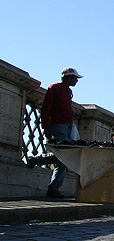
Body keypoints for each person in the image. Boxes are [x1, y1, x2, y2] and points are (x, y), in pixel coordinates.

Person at [27, 68, 83, 198]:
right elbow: (46, 108)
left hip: (68, 126)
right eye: (75, 78)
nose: (76, 81)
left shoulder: (69, 91)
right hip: (58, 126)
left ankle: (53, 188)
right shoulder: (55, 88)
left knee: (63, 157)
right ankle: (38, 162)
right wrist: (46, 127)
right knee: (64, 155)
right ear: (69, 78)